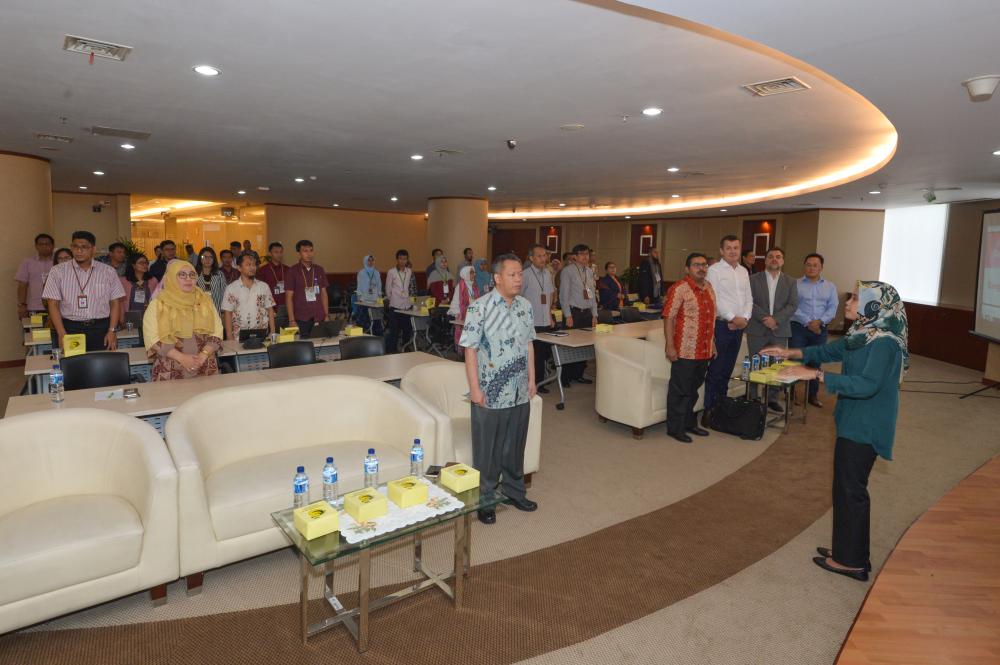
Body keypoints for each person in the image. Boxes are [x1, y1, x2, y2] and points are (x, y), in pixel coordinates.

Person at [764, 281, 908, 582]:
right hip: (853, 419)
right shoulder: (864, 333)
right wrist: (789, 352)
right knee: (844, 488)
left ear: (874, 305)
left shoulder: (883, 342)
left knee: (851, 490)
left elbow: (867, 385)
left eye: (856, 298)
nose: (848, 302)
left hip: (866, 424)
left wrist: (815, 374)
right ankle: (847, 552)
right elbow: (830, 349)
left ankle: (852, 562)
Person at [460, 253, 538, 524]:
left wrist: (532, 379)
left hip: (519, 391)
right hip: (489, 393)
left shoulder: (525, 306)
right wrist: (475, 389)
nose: (518, 279)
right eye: (512, 274)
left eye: (520, 274)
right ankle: (486, 499)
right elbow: (469, 350)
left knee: (515, 446)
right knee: (488, 452)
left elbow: (529, 344)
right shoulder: (479, 308)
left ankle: (515, 491)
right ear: (497, 278)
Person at [663, 253, 716, 443]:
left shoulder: (709, 287)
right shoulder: (679, 288)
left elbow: (710, 318)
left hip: (704, 350)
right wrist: (670, 345)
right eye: (696, 265)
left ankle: (689, 423)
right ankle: (675, 428)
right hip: (684, 350)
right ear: (687, 269)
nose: (701, 268)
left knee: (693, 390)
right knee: (680, 390)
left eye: (704, 265)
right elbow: (668, 317)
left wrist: (713, 343)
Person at [42, 231, 125, 352]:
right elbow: (53, 304)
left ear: (93, 249)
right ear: (71, 248)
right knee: (74, 362)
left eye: (84, 247)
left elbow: (115, 303)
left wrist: (112, 330)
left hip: (100, 327)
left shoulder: (108, 271)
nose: (79, 251)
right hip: (71, 328)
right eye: (75, 246)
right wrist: (61, 333)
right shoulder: (57, 271)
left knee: (101, 362)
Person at [143, 260, 223, 380]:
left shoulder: (205, 301)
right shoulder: (158, 304)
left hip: (204, 365)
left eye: (192, 275)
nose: (188, 279)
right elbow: (152, 338)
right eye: (182, 275)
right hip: (170, 368)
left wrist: (204, 354)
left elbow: (217, 331)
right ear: (171, 277)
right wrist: (182, 358)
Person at [702, 235, 752, 421]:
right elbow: (714, 298)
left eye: (736, 248)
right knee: (716, 370)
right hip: (721, 326)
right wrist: (733, 318)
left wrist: (745, 318)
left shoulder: (744, 271)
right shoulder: (714, 271)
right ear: (721, 251)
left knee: (727, 370)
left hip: (739, 327)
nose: (733, 251)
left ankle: (720, 408)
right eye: (728, 248)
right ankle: (708, 411)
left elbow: (748, 298)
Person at [747, 247, 798, 412]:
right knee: (755, 363)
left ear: (783, 261)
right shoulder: (752, 279)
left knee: (777, 365)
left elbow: (792, 305)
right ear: (765, 260)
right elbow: (748, 301)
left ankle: (772, 399)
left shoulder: (791, 281)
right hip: (757, 328)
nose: (774, 259)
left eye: (778, 256)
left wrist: (775, 319)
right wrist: (765, 318)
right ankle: (753, 397)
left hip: (780, 329)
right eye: (770, 256)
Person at [791, 253, 839, 408]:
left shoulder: (830, 286)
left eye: (815, 265)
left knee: (815, 362)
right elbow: (792, 306)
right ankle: (791, 394)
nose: (811, 268)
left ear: (821, 268)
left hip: (820, 330)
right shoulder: (795, 284)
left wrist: (820, 322)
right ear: (804, 266)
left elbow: (832, 308)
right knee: (795, 361)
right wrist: (808, 322)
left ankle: (812, 395)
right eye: (808, 265)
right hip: (798, 328)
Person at [559, 244, 598, 386]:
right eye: (582, 254)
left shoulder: (589, 271)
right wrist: (567, 315)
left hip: (587, 313)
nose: (585, 257)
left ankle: (578, 374)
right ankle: (565, 377)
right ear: (575, 256)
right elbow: (564, 295)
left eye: (587, 254)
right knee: (570, 346)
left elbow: (592, 295)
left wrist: (594, 315)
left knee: (584, 346)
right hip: (573, 313)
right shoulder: (568, 271)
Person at [521, 244, 556, 393]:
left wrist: (550, 316)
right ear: (531, 258)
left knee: (542, 354)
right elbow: (518, 298)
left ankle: (539, 382)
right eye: (539, 256)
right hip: (530, 322)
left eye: (545, 255)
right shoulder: (525, 274)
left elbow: (549, 295)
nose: (543, 259)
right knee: (531, 355)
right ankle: (530, 382)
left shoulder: (547, 273)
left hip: (545, 321)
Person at [222, 252, 275, 340]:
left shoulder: (264, 286)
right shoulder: (231, 288)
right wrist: (229, 337)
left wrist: (272, 331)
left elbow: (270, 309)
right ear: (239, 268)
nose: (252, 267)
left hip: (261, 335)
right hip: (238, 337)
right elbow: (228, 313)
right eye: (248, 265)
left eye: (254, 264)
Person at [284, 239, 330, 336]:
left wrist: (326, 315)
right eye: (305, 251)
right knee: (304, 343)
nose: (309, 254)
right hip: (302, 318)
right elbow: (289, 297)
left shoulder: (319, 269)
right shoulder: (292, 271)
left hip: (319, 316)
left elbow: (324, 294)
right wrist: (291, 320)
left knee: (321, 342)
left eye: (311, 250)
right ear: (299, 253)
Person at [15, 232, 55, 319]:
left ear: (52, 246)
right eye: (41, 244)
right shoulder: (27, 262)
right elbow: (22, 285)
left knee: (56, 328)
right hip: (34, 308)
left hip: (57, 308)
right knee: (36, 328)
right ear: (36, 246)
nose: (44, 246)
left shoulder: (58, 262)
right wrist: (22, 305)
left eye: (47, 244)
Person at [385, 249, 414, 353]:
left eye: (405, 259)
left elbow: (409, 287)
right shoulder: (391, 272)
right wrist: (392, 299)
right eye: (400, 259)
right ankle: (392, 351)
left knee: (407, 329)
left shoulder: (409, 271)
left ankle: (405, 348)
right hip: (395, 305)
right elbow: (388, 288)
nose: (403, 261)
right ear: (397, 259)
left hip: (406, 306)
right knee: (394, 331)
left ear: (407, 260)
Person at [119, 254, 158, 327]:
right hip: (129, 317)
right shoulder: (123, 281)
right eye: (141, 263)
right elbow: (120, 302)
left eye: (146, 262)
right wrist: (121, 318)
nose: (145, 265)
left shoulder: (153, 280)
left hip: (150, 317)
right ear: (133, 265)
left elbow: (157, 300)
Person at [448, 265, 479, 348]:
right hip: (463, 315)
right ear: (466, 274)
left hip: (473, 314)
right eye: (472, 273)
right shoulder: (460, 287)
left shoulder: (474, 286)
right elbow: (455, 303)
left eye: (474, 272)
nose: (474, 274)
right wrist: (459, 314)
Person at [195, 246, 227, 314]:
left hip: (217, 310)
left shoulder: (219, 274)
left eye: (211, 257)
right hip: (199, 311)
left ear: (214, 259)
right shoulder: (194, 274)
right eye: (204, 257)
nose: (208, 259)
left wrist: (223, 311)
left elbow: (224, 293)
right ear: (200, 258)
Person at [257, 241, 288, 309]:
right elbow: (260, 291)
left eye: (281, 252)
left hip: (286, 306)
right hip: (270, 307)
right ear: (270, 253)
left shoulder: (288, 269)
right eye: (276, 252)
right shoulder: (262, 270)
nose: (279, 254)